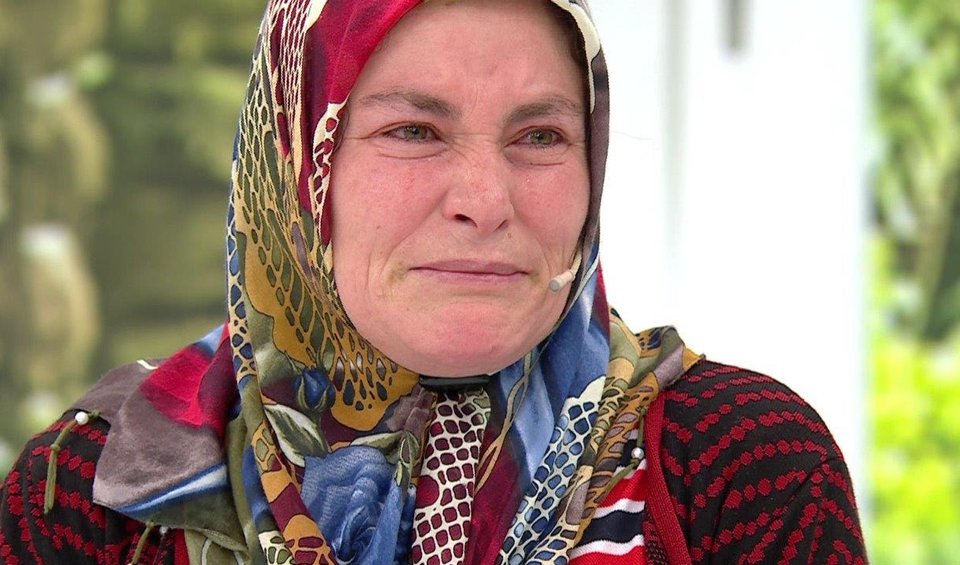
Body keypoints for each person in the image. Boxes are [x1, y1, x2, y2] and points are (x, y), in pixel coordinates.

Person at [0, 0, 867, 563]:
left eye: (540, 136)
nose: (485, 202)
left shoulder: (737, 466)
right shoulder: (98, 489)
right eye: (414, 131)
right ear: (295, 171)